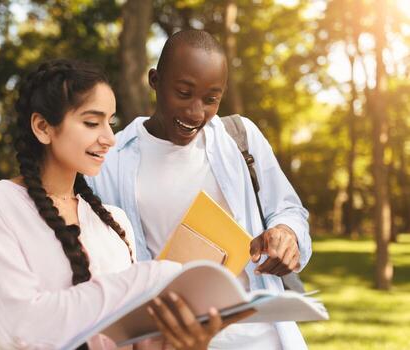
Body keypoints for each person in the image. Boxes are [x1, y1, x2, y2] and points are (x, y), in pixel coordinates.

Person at [0, 59, 251, 350]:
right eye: (92, 122)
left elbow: (133, 340)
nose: (109, 138)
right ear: (43, 127)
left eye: (110, 122)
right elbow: (22, 328)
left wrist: (185, 341)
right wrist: (151, 276)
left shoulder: (114, 223)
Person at [88, 29, 312, 349]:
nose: (196, 113)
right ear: (155, 80)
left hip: (262, 338)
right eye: (183, 92)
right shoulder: (111, 160)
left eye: (210, 99)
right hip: (176, 342)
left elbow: (289, 209)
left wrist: (287, 234)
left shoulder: (240, 137)